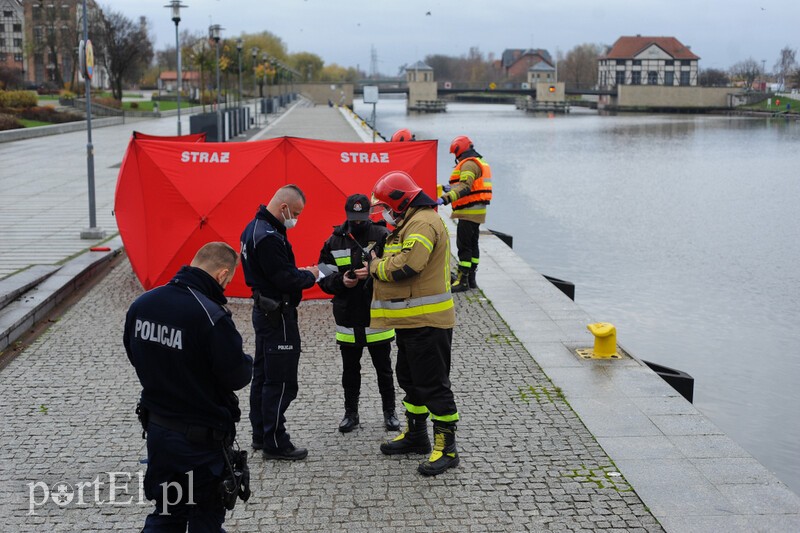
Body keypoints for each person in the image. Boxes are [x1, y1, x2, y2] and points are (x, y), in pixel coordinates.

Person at [124, 241, 253, 532]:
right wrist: (248, 361)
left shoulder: (143, 304)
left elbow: (134, 355)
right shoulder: (211, 316)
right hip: (201, 442)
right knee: (205, 517)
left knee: (167, 513)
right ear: (221, 275)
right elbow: (237, 376)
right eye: (228, 281)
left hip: (159, 433)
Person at [368, 170, 460, 476]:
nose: (383, 214)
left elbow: (407, 265)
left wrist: (375, 267)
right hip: (412, 321)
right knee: (410, 379)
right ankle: (417, 436)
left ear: (399, 202)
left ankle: (446, 448)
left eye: (384, 206)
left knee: (433, 385)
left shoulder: (421, 222)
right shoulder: (412, 221)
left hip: (427, 322)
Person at [240, 184, 319, 461]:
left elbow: (275, 272)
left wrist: (297, 272)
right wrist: (312, 275)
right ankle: (276, 441)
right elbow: (285, 279)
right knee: (281, 380)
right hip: (278, 316)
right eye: (295, 212)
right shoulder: (270, 237)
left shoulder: (252, 228)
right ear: (283, 207)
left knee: (262, 375)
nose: (296, 218)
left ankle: (261, 434)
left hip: (264, 312)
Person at [317, 194, 400, 433]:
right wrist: (341, 281)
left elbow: (395, 271)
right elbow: (323, 275)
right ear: (347, 215)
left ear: (368, 215)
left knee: (384, 369)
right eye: (354, 218)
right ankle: (350, 414)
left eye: (362, 218)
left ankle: (390, 413)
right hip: (348, 316)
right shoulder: (334, 240)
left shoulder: (383, 236)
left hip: (377, 315)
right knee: (350, 371)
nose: (359, 222)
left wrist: (372, 273)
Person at [439, 135, 492, 292]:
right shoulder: (479, 161)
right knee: (473, 245)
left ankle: (462, 281)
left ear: (458, 151)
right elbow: (472, 185)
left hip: (468, 211)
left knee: (464, 246)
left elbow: (466, 186)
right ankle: (471, 279)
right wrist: (449, 188)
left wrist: (445, 198)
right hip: (478, 211)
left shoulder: (468, 164)